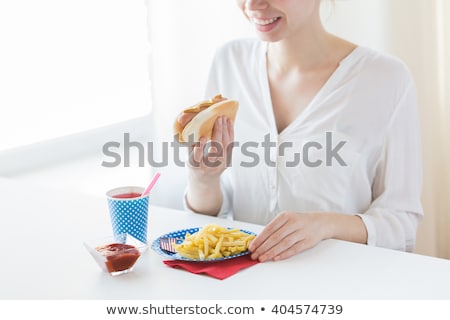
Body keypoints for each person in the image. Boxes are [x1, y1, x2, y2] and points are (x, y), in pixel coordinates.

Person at [184, 0, 423, 262]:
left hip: (340, 285)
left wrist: (324, 225)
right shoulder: (229, 61)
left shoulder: (385, 78)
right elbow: (217, 213)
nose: (252, 5)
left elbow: (402, 222)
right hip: (245, 285)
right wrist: (203, 179)